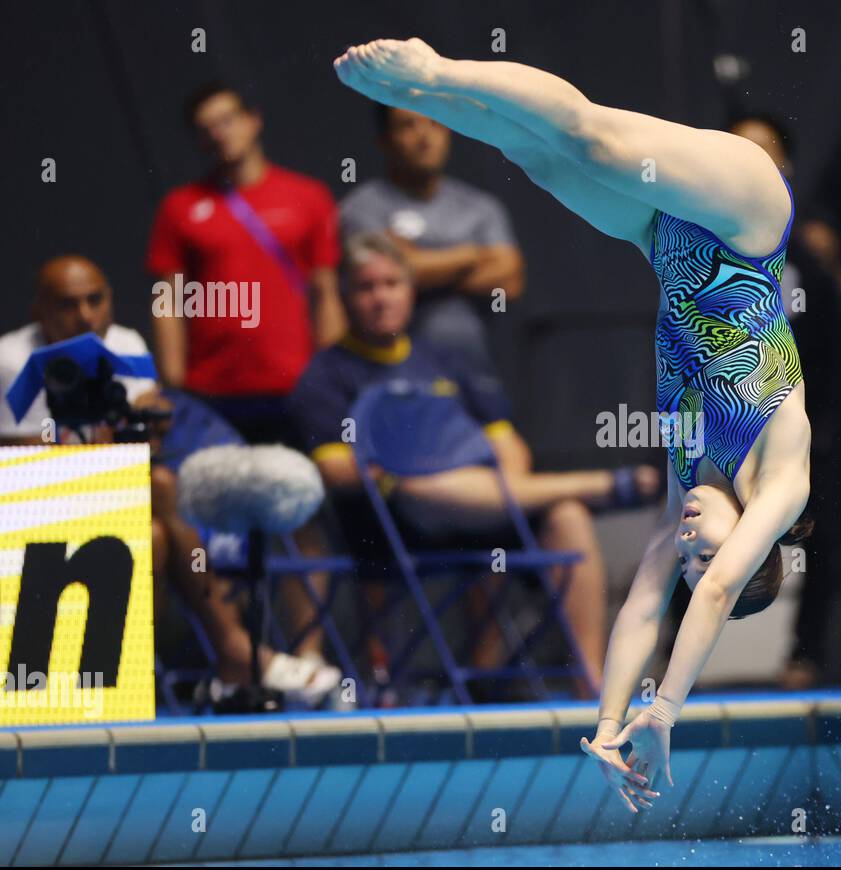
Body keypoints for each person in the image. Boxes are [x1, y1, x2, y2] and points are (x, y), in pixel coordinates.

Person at [332, 38, 812, 812]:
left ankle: (420, 100)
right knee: (591, 136)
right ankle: (437, 69)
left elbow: (645, 605)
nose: (689, 543)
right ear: (756, 540)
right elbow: (716, 593)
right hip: (745, 224)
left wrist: (611, 722)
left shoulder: (689, 493)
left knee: (544, 158)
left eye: (684, 554)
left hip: (667, 241)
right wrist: (666, 714)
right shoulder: (781, 478)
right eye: (705, 550)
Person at [288, 233, 659, 693]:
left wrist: (501, 489)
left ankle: (592, 683)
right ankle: (599, 483)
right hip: (395, 525)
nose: (381, 297)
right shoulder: (326, 374)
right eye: (366, 287)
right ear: (345, 296)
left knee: (568, 517)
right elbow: (334, 468)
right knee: (422, 485)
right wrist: (402, 466)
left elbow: (509, 446)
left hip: (480, 509)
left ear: (410, 290)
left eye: (391, 283)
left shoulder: (447, 361)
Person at [0, 255, 339, 706]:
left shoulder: (126, 342)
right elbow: (22, 460)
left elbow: (148, 434)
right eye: (67, 304)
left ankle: (137, 678)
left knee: (157, 535)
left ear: (111, 301)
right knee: (160, 486)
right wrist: (105, 442)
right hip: (29, 508)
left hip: (111, 500)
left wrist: (114, 438)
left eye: (94, 300)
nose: (85, 315)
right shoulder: (14, 358)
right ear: (38, 310)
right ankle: (233, 648)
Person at [729, 110, 841, 690]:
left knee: (823, 533)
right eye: (738, 150)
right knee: (693, 530)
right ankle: (674, 653)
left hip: (810, 416)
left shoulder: (812, 233)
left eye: (763, 151)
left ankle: (807, 654)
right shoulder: (696, 230)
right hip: (727, 413)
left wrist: (830, 263)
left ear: (785, 164)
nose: (751, 163)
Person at [146, 82, 346, 444]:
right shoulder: (179, 207)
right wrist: (173, 380)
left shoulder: (308, 196)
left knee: (302, 493)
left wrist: (332, 373)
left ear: (253, 120)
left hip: (296, 385)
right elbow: (167, 299)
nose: (221, 133)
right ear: (200, 140)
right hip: (210, 389)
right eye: (208, 128)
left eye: (227, 120)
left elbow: (325, 291)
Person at [339, 104, 525, 389]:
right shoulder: (361, 207)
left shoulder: (481, 207)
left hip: (474, 376)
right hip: (390, 380)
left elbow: (509, 280)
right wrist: (470, 255)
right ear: (384, 140)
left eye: (435, 124)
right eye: (408, 126)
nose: (424, 137)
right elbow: (390, 271)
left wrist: (418, 263)